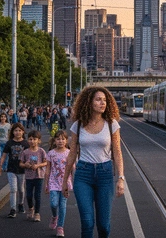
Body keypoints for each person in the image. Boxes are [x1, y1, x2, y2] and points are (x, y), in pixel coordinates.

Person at [62, 86, 124, 238]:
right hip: (83, 174)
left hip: (105, 174)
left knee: (103, 225)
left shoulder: (112, 124)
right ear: (89, 102)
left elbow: (117, 151)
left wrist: (121, 178)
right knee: (87, 222)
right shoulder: (78, 125)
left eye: (104, 100)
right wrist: (65, 180)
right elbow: (72, 153)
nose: (102, 103)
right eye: (98, 100)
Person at [45, 130, 73, 237]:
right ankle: (54, 217)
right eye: (58, 139)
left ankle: (60, 227)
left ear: (66, 141)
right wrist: (46, 184)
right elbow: (48, 170)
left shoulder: (69, 153)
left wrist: (73, 183)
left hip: (65, 183)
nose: (60, 141)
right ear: (54, 141)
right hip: (53, 182)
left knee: (63, 205)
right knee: (54, 203)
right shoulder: (51, 153)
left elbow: (72, 169)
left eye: (63, 139)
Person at [0, 122, 29, 218]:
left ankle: (21, 204)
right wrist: (0, 166)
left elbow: (29, 155)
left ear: (23, 132)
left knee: (21, 189)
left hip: (22, 170)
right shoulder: (9, 143)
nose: (18, 132)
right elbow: (4, 155)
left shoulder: (25, 143)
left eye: (19, 130)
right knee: (13, 189)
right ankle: (13, 209)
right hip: (11, 169)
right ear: (12, 132)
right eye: (15, 130)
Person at [19, 130, 47, 222]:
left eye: (34, 139)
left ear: (39, 140)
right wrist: (25, 165)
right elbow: (21, 163)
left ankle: (37, 213)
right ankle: (31, 207)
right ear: (28, 140)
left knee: (37, 195)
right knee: (29, 195)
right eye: (30, 139)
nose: (32, 141)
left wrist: (38, 165)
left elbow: (46, 162)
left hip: (39, 176)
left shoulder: (41, 151)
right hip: (28, 176)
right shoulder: (25, 152)